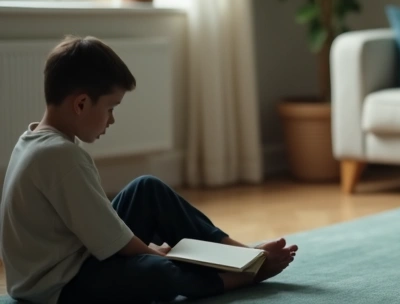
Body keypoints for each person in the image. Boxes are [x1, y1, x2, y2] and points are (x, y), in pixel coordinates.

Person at [0, 36, 297, 304]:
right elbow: (113, 240)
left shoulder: (34, 140)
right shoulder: (60, 155)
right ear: (81, 103)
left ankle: (242, 255)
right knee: (158, 271)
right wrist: (157, 253)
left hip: (74, 259)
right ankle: (241, 275)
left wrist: (154, 250)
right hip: (58, 288)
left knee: (147, 188)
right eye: (110, 108)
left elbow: (100, 228)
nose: (111, 120)